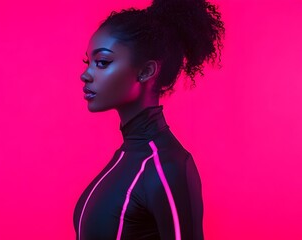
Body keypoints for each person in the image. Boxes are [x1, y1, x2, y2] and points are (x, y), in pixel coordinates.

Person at [73, 0, 224, 239]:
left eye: (102, 62)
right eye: (87, 62)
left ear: (146, 71)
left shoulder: (166, 166)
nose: (86, 74)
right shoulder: (128, 155)